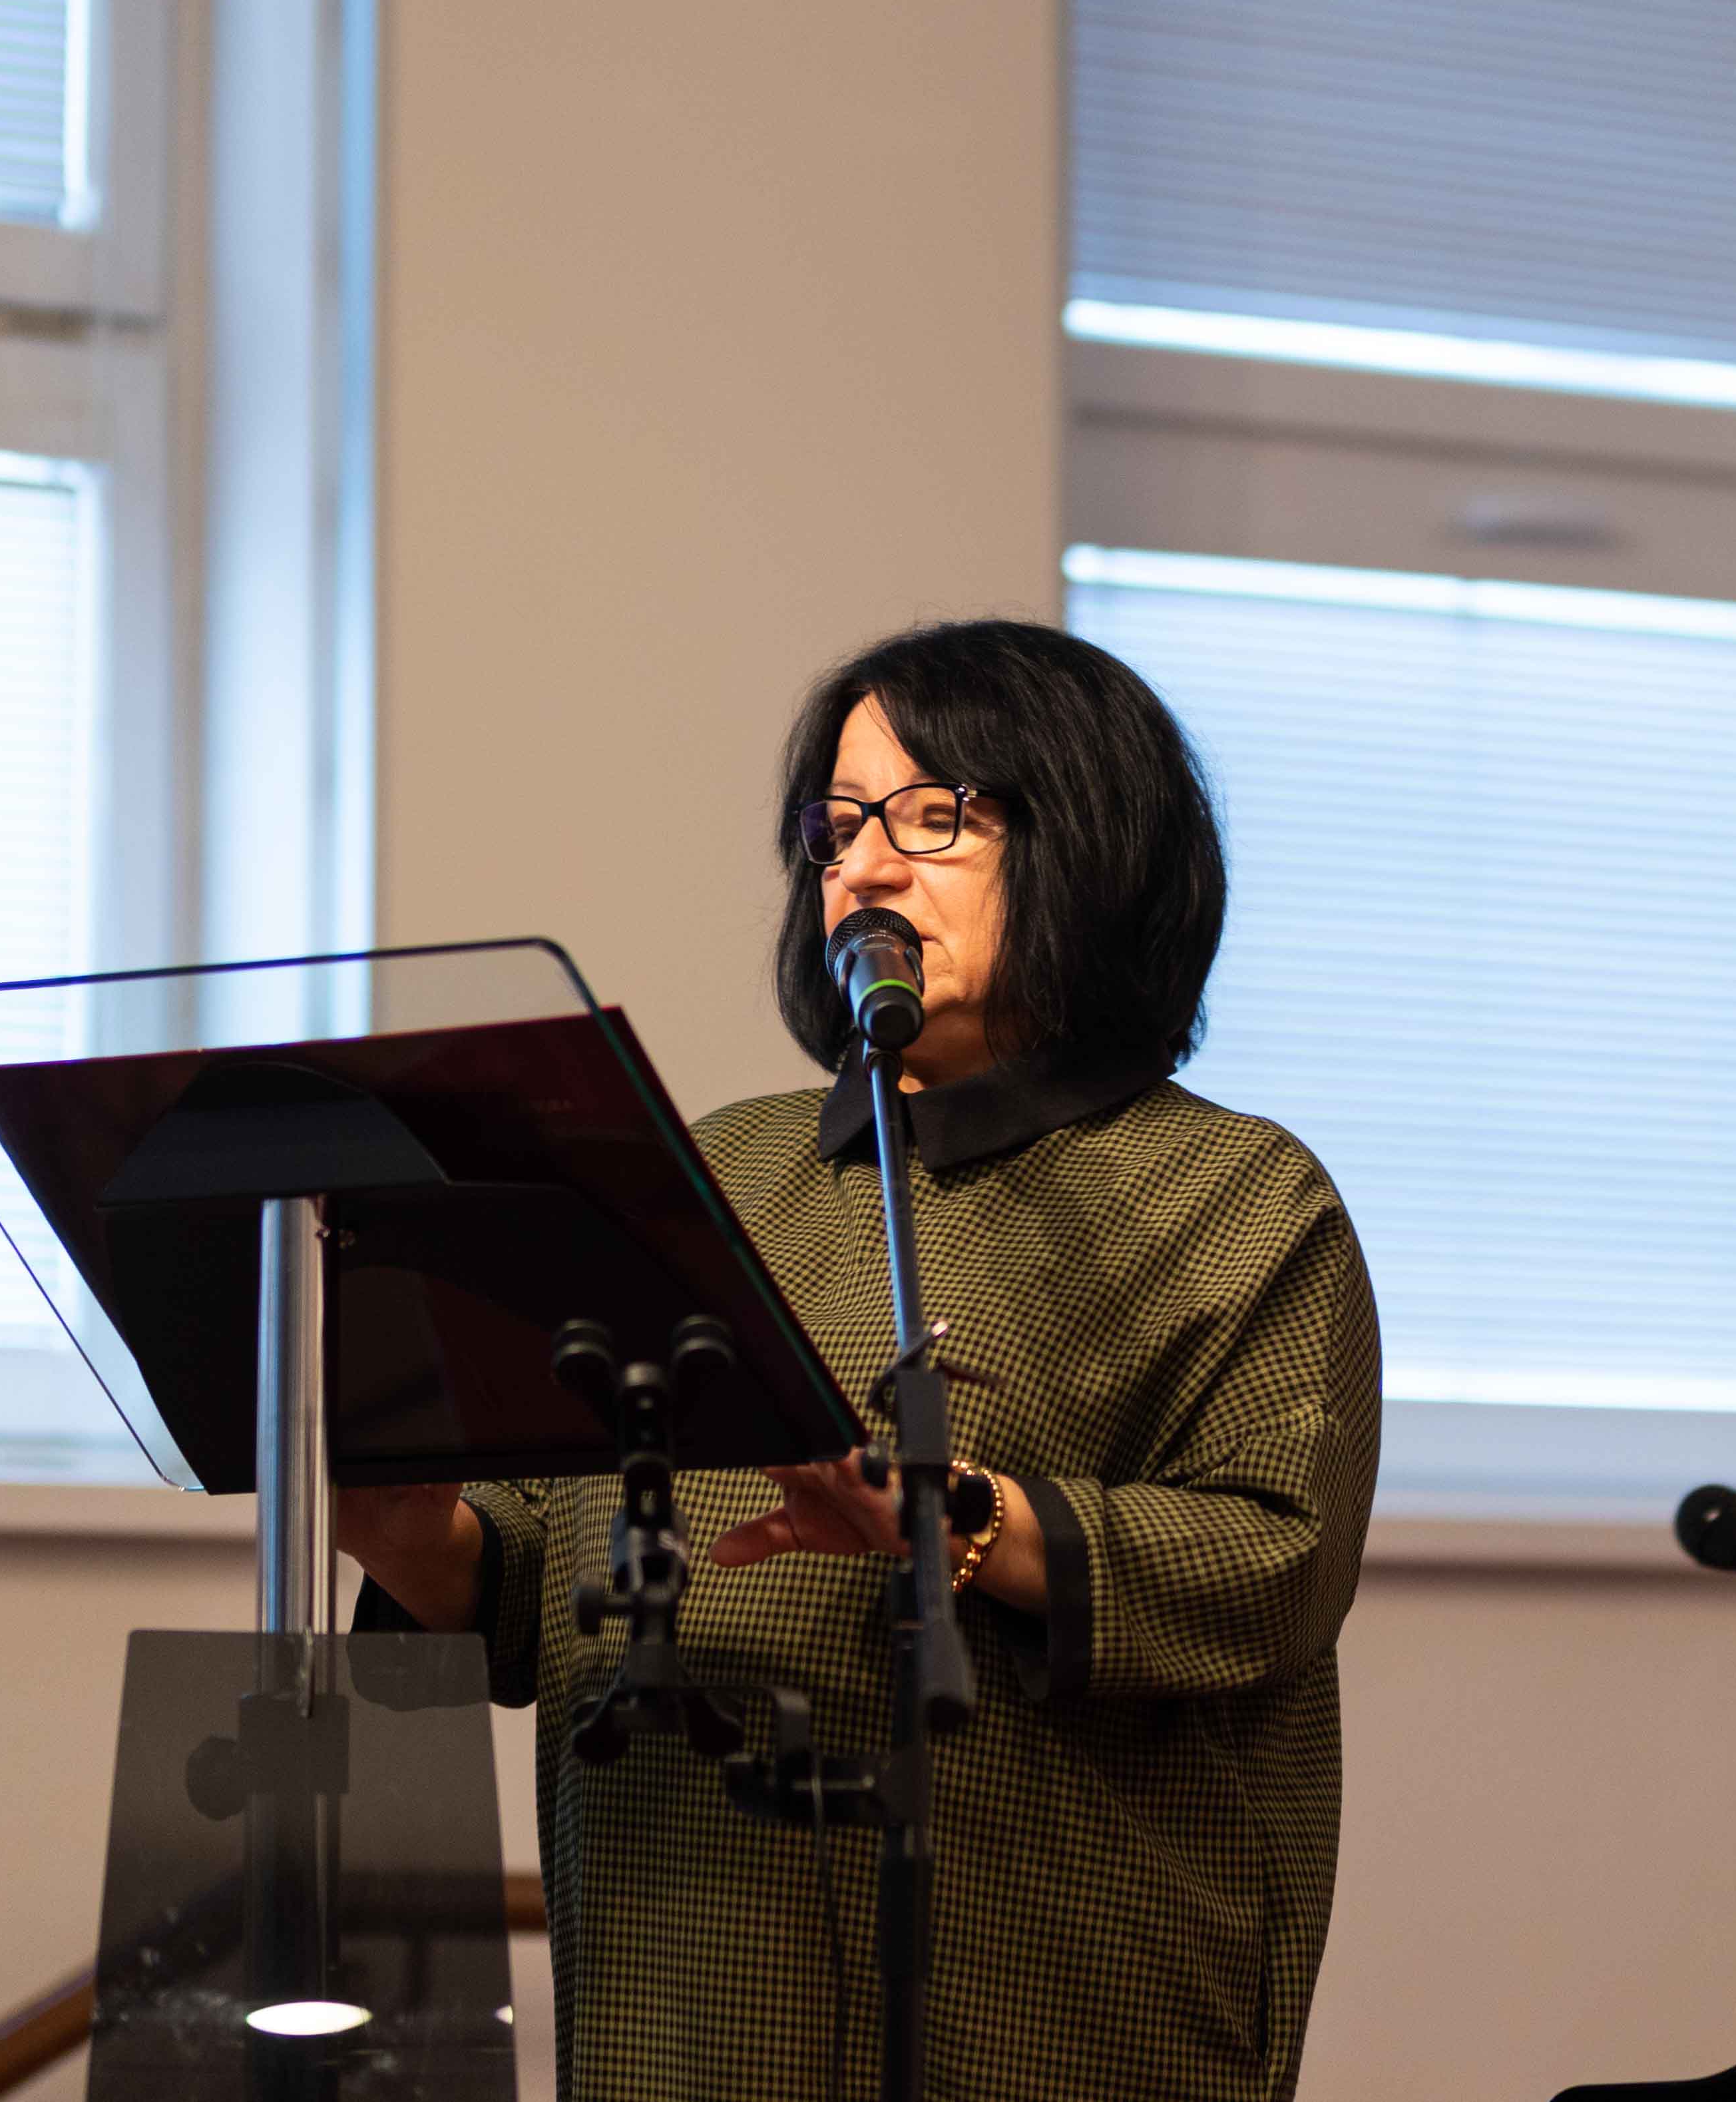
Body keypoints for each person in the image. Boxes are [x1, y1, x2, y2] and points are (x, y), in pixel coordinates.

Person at [339, 618, 1382, 2102]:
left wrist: (965, 1522)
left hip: (1046, 2000)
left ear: (1091, 837)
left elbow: (1273, 1561)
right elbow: (539, 1567)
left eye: (931, 816)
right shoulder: (714, 1171)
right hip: (683, 1993)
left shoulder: (1234, 1196)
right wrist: (408, 1534)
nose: (862, 870)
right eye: (833, 831)